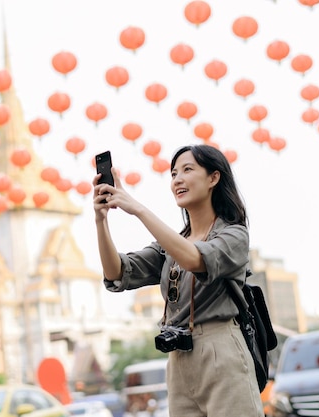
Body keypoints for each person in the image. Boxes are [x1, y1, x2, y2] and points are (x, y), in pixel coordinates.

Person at [93, 144, 263, 417]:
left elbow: (194, 259)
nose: (177, 180)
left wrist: (138, 209)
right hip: (179, 357)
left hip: (221, 349)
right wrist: (101, 220)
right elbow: (117, 272)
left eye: (187, 170)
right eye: (173, 174)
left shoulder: (234, 236)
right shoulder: (170, 246)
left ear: (213, 178)